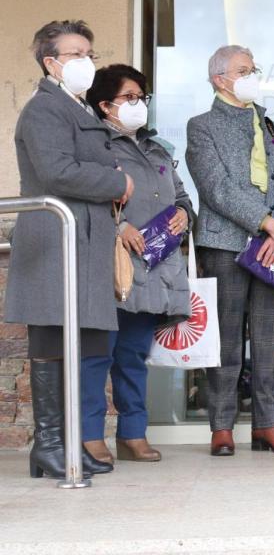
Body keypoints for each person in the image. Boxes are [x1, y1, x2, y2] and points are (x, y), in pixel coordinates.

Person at [7, 20, 134, 478]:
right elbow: (57, 170)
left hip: (81, 240)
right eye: (76, 53)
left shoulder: (72, 107)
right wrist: (118, 181)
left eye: (89, 53)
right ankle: (51, 446)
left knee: (78, 347)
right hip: (56, 240)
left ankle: (60, 444)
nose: (86, 61)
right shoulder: (45, 109)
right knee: (53, 344)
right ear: (51, 62)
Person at [186, 45, 274, 456]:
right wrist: (266, 223)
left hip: (273, 247)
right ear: (220, 79)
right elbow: (216, 188)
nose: (252, 75)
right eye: (243, 70)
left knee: (269, 339)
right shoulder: (201, 126)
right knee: (226, 340)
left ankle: (268, 425)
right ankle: (221, 426)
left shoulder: (270, 126)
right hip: (225, 243)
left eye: (253, 69)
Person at [79, 64, 194, 463]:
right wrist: (119, 226)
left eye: (141, 98)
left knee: (132, 356)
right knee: (98, 355)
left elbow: (180, 196)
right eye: (129, 97)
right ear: (105, 104)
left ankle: (133, 433)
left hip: (155, 267)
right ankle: (90, 434)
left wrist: (184, 214)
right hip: (111, 266)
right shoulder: (95, 145)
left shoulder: (157, 147)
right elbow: (87, 196)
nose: (137, 104)